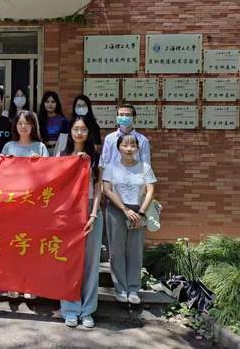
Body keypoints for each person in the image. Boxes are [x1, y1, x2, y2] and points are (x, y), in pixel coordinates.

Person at [102, 134, 157, 305]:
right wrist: (124, 209)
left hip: (138, 211)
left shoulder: (144, 167)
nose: (129, 148)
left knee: (135, 250)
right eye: (125, 145)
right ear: (118, 147)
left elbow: (150, 190)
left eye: (132, 145)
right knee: (116, 250)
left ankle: (133, 288)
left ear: (138, 148)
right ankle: (120, 288)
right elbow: (107, 190)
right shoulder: (111, 167)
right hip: (116, 210)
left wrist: (141, 212)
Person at [59, 116, 103, 328]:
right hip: (68, 213)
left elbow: (99, 186)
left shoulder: (96, 156)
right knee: (68, 262)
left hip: (91, 210)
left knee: (91, 263)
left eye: (83, 130)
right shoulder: (62, 155)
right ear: (70, 132)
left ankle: (87, 310)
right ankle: (69, 309)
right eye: (76, 129)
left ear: (88, 133)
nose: (79, 133)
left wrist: (93, 214)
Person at [1, 110, 48, 300]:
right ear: (15, 126)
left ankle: (30, 284)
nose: (23, 126)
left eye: (27, 123)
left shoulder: (41, 147)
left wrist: (40, 164)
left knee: (31, 246)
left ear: (33, 126)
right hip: (12, 204)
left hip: (33, 205)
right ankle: (12, 283)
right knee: (13, 245)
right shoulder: (8, 146)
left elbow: (50, 173)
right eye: (20, 123)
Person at [100, 104, 151, 169]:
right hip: (113, 174)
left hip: (135, 174)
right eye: (121, 115)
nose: (124, 117)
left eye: (128, 115)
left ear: (134, 118)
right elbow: (105, 162)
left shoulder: (143, 140)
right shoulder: (109, 138)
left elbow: (146, 164)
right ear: (117, 117)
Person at [38, 91, 69, 156]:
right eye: (47, 102)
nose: (50, 104)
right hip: (42, 151)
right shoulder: (39, 121)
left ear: (57, 103)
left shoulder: (63, 120)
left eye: (53, 102)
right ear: (43, 103)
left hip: (59, 151)